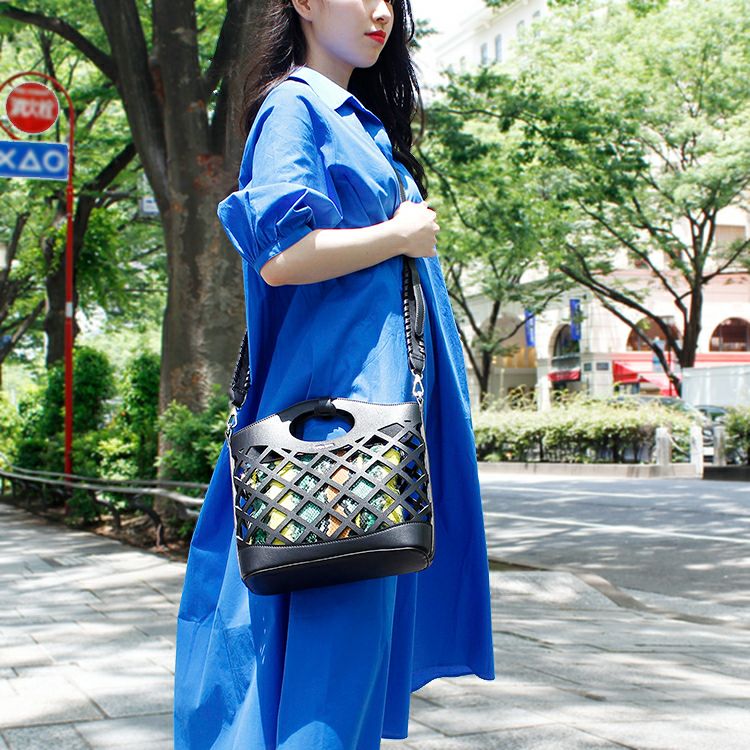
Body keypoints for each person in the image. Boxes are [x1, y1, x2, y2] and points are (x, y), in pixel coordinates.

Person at [173, 1, 496, 747]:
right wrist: (398, 233)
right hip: (339, 433)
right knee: (331, 659)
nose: (382, 11)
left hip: (364, 424)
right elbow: (283, 255)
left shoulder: (349, 116)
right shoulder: (296, 106)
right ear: (306, 3)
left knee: (340, 655)